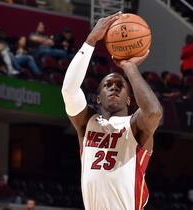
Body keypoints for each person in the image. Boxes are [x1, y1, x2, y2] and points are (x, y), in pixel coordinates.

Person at [61, 11, 163, 210]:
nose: (114, 86)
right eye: (108, 84)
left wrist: (129, 67)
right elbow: (68, 90)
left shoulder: (135, 126)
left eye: (120, 85)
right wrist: (91, 40)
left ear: (129, 99)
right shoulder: (86, 122)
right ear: (98, 98)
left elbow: (153, 112)